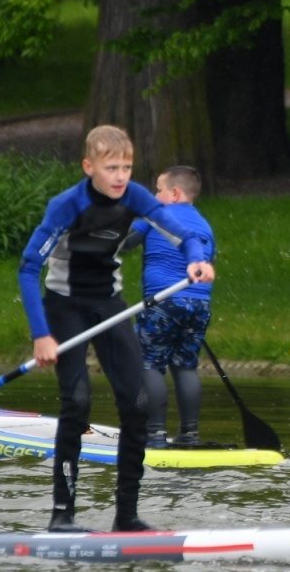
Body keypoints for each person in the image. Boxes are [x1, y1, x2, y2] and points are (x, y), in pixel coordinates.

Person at [17, 126, 216, 533]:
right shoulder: (66, 206)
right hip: (65, 306)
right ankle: (62, 515)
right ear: (89, 167)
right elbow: (28, 268)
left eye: (126, 167)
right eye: (111, 168)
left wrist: (196, 258)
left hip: (109, 306)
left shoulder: (136, 197)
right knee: (77, 403)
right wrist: (41, 334)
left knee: (138, 404)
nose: (121, 176)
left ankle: (127, 516)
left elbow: (183, 234)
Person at [127, 165, 215, 450]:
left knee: (148, 362)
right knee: (185, 366)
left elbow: (125, 243)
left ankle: (154, 435)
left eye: (158, 190)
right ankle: (190, 434)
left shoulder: (157, 214)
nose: (155, 196)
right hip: (199, 304)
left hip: (164, 301)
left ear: (174, 193)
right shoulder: (204, 225)